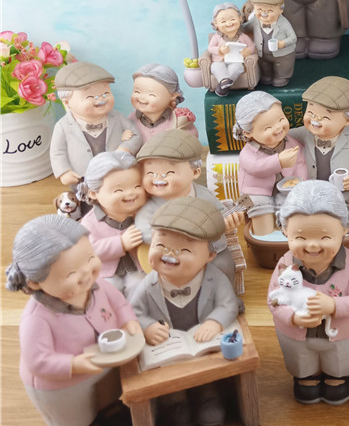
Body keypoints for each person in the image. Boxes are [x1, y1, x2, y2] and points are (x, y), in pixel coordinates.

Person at [6, 215, 142, 426]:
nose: (86, 273)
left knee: (107, 391)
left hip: (104, 361)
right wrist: (72, 364)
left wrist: (129, 321)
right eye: (71, 273)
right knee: (73, 408)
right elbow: (38, 360)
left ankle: (108, 409)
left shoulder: (98, 286)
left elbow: (119, 303)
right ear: (35, 283)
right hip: (62, 382)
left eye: (90, 259)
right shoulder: (37, 318)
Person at [131, 198, 239, 426]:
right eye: (161, 246)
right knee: (170, 377)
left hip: (202, 347)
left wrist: (214, 322)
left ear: (209, 255)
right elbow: (133, 312)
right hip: (168, 349)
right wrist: (148, 326)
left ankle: (208, 396)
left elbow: (228, 304)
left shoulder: (215, 278)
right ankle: (174, 401)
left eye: (185, 250)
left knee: (206, 373)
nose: (170, 255)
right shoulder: (148, 284)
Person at [268, 181, 349, 405]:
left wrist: (333, 306)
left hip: (342, 333)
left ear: (345, 229)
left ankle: (338, 377)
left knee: (338, 364)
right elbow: (274, 299)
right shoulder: (285, 264)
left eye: (325, 238)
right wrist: (293, 317)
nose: (312, 246)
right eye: (300, 238)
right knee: (303, 363)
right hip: (297, 334)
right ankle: (307, 376)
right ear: (284, 231)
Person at [134, 130, 242, 294]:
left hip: (210, 252)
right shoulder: (151, 207)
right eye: (150, 173)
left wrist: (227, 221)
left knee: (224, 265)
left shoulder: (204, 195)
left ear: (195, 172)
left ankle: (224, 299)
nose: (158, 179)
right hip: (172, 257)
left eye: (169, 173)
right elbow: (144, 230)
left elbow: (219, 212)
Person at [50, 61, 142, 188]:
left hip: (115, 175)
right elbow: (57, 152)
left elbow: (136, 135)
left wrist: (124, 149)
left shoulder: (116, 117)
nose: (101, 99)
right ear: (67, 102)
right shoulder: (63, 126)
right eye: (90, 96)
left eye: (106, 93)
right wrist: (64, 172)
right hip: (82, 179)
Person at [290, 76, 349, 211]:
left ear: (347, 120)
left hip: (343, 189)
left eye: (324, 117)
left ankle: (345, 220)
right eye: (310, 113)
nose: (315, 121)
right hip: (312, 187)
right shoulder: (304, 133)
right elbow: (285, 135)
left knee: (344, 203)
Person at [233, 91, 307, 237]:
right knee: (262, 211)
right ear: (248, 133)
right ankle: (265, 239)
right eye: (267, 128)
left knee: (294, 209)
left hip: (287, 189)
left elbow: (301, 164)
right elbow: (256, 168)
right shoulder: (248, 153)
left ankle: (290, 238)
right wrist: (279, 161)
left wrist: (301, 183)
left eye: (281, 119)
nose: (278, 128)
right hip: (257, 191)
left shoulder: (291, 143)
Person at [76, 151, 147, 297]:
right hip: (105, 272)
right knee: (107, 290)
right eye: (119, 190)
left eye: (137, 186)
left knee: (140, 286)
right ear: (93, 193)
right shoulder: (90, 222)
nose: (131, 193)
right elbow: (88, 250)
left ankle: (137, 310)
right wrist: (121, 243)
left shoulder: (144, 214)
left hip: (136, 267)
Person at [243, 0, 297, 87]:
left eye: (269, 11)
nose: (264, 14)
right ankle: (267, 76)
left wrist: (283, 43)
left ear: (281, 9)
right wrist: (233, 27)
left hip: (282, 55)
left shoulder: (284, 23)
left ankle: (281, 77)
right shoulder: (255, 21)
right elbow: (245, 28)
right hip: (262, 54)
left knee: (282, 68)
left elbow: (293, 38)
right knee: (265, 68)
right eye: (259, 9)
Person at [128, 63, 198, 142]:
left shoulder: (178, 120)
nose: (141, 98)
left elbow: (191, 138)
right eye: (137, 92)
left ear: (173, 95)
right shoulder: (133, 118)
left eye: (151, 94)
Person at [207, 3, 255, 96]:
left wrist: (247, 51)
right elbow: (210, 48)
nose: (229, 23)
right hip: (219, 61)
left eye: (232, 19)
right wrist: (220, 50)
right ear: (216, 23)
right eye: (223, 21)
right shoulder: (216, 37)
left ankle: (222, 86)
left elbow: (252, 46)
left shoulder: (243, 37)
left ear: (240, 18)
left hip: (236, 61)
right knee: (216, 67)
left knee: (238, 68)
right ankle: (224, 81)